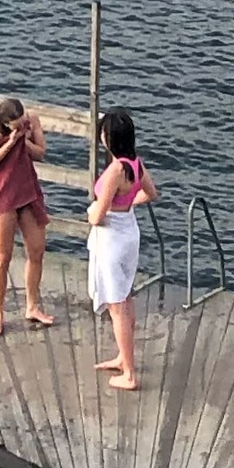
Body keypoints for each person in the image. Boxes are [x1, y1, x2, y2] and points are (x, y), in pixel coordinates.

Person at [87, 105, 151, 394]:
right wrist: (126, 206)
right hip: (129, 230)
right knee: (125, 296)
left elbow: (97, 216)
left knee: (117, 306)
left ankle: (130, 373)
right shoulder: (135, 164)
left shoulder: (115, 170)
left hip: (112, 238)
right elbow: (151, 192)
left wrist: (93, 210)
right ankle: (124, 357)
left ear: (108, 138)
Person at [0, 95, 52, 338]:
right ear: (5, 122)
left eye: (22, 121)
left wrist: (23, 141)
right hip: (3, 194)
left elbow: (41, 152)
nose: (21, 126)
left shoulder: (31, 121)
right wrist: (10, 143)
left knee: (37, 249)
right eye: (15, 123)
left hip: (27, 191)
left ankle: (32, 305)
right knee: (2, 256)